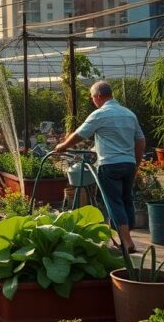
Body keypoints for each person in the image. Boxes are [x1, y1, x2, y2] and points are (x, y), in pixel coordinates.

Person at [53, 80, 144, 253]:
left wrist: (63, 146)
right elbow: (140, 140)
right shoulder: (129, 114)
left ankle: (126, 241)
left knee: (114, 202)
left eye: (93, 98)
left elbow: (80, 134)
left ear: (98, 96)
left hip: (109, 164)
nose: (93, 101)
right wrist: (136, 163)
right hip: (129, 163)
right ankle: (125, 237)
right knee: (126, 200)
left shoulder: (100, 114)